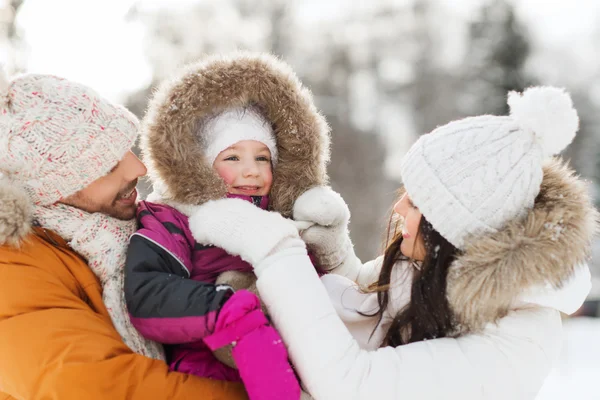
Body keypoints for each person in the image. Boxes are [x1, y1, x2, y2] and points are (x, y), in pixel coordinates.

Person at [188, 86, 597, 399]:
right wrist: (333, 251)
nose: (399, 207)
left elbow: (352, 384)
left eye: (416, 202)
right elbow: (366, 305)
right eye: (406, 190)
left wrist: (275, 248)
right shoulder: (440, 267)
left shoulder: (516, 347)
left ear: (453, 232)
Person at [0, 71, 247, 399]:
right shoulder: (13, 266)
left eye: (126, 149)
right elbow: (97, 386)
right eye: (105, 167)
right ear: (50, 190)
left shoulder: (141, 233)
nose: (138, 169)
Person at [124, 52, 330, 399]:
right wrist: (225, 306)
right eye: (232, 157)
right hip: (208, 371)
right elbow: (147, 292)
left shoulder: (281, 220)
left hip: (297, 368)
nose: (251, 171)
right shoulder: (173, 218)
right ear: (202, 166)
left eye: (262, 158)